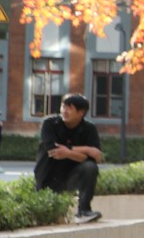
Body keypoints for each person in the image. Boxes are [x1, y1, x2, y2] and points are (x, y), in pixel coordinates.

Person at [36, 92, 104, 223]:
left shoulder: (89, 129)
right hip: (48, 177)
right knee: (50, 219)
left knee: (90, 167)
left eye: (69, 108)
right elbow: (54, 151)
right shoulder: (50, 124)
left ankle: (84, 211)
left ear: (81, 112)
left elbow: (97, 158)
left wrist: (68, 152)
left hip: (71, 177)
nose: (64, 111)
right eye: (63, 107)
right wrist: (87, 150)